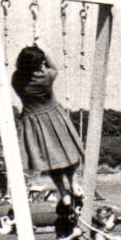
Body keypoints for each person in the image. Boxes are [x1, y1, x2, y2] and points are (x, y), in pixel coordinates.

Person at [10, 45, 84, 206]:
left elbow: (20, 73)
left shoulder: (17, 80)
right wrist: (42, 49)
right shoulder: (46, 77)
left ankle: (63, 192)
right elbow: (54, 68)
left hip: (33, 122)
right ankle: (73, 182)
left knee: (50, 161)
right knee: (68, 153)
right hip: (54, 117)